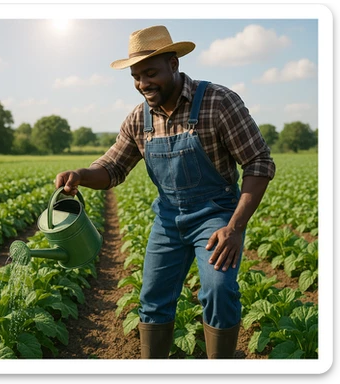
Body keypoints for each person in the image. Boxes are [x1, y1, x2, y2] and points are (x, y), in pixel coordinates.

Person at [54, 25, 276, 359]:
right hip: (169, 219)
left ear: (174, 64)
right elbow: (113, 167)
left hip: (216, 217)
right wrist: (81, 175)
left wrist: (235, 227)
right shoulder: (138, 119)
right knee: (152, 298)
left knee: (218, 290)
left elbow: (259, 163)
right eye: (136, 76)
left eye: (150, 73)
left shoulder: (218, 101)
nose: (143, 84)